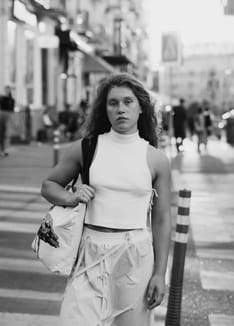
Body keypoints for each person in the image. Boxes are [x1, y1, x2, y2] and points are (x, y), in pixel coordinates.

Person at [41, 73, 172, 326]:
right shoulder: (86, 147)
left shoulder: (156, 159)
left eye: (127, 102)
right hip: (89, 252)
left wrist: (159, 273)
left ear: (141, 108)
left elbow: (162, 219)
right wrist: (71, 197)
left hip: (135, 255)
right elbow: (49, 185)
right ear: (105, 109)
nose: (120, 109)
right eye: (113, 103)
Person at [0, 86, 15, 157]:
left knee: (7, 133)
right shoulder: (1, 98)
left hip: (9, 115)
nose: (7, 91)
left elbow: (12, 110)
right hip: (1, 114)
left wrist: (13, 120)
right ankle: (1, 149)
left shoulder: (12, 99)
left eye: (8, 90)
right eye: (6, 89)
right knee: (1, 133)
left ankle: (5, 149)